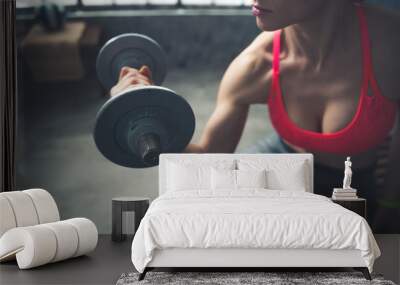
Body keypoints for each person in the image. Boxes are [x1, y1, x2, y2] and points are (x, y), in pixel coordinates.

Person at [110, 0, 400, 232]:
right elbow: (208, 157)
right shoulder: (254, 66)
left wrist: (390, 204)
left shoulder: (390, 42)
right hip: (285, 161)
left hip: (357, 178)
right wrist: (143, 112)